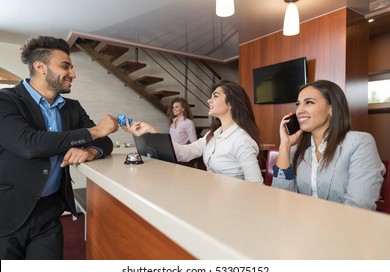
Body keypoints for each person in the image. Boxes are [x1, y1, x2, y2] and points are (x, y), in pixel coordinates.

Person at [0, 36, 118, 259]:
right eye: (65, 66)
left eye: (72, 67)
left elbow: (105, 142)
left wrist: (90, 150)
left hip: (49, 214)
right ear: (40, 67)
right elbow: (28, 144)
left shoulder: (72, 108)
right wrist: (93, 132)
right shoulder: (6, 100)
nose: (73, 74)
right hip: (7, 213)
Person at [272, 80, 385, 210]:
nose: (299, 110)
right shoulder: (296, 151)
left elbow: (358, 208)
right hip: (301, 226)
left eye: (309, 102)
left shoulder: (360, 143)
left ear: (331, 109)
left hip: (343, 228)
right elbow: (281, 200)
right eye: (298, 104)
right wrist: (284, 146)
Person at [123, 80, 264, 183]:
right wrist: (151, 130)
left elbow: (256, 186)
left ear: (231, 104)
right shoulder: (212, 135)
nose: (209, 100)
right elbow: (185, 153)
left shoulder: (242, 141)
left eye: (215, 96)